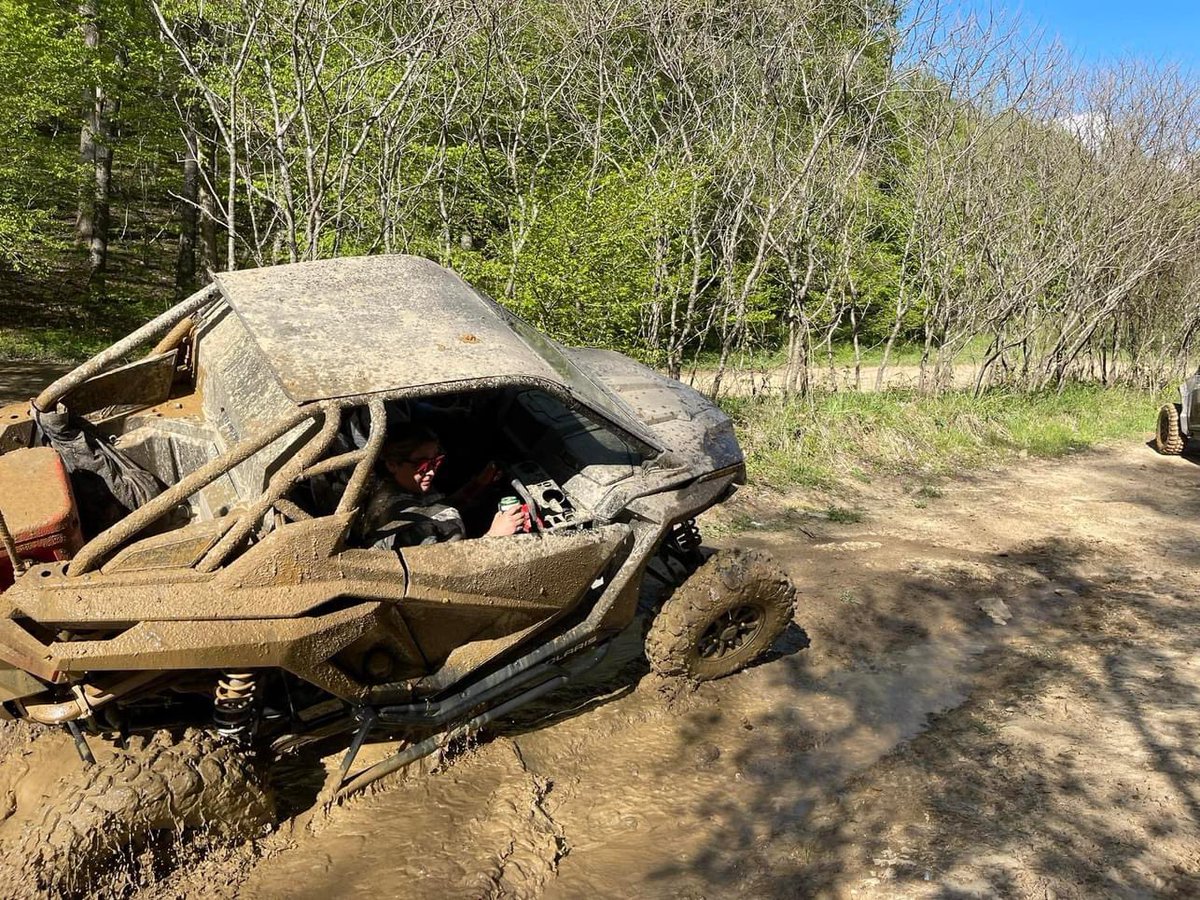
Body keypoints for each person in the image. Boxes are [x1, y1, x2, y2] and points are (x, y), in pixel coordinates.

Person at [359, 424, 524, 549]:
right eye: (422, 464)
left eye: (435, 461)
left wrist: (477, 485)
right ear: (392, 464)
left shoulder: (393, 486)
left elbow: (435, 509)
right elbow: (445, 574)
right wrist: (493, 537)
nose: (431, 472)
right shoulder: (402, 521)